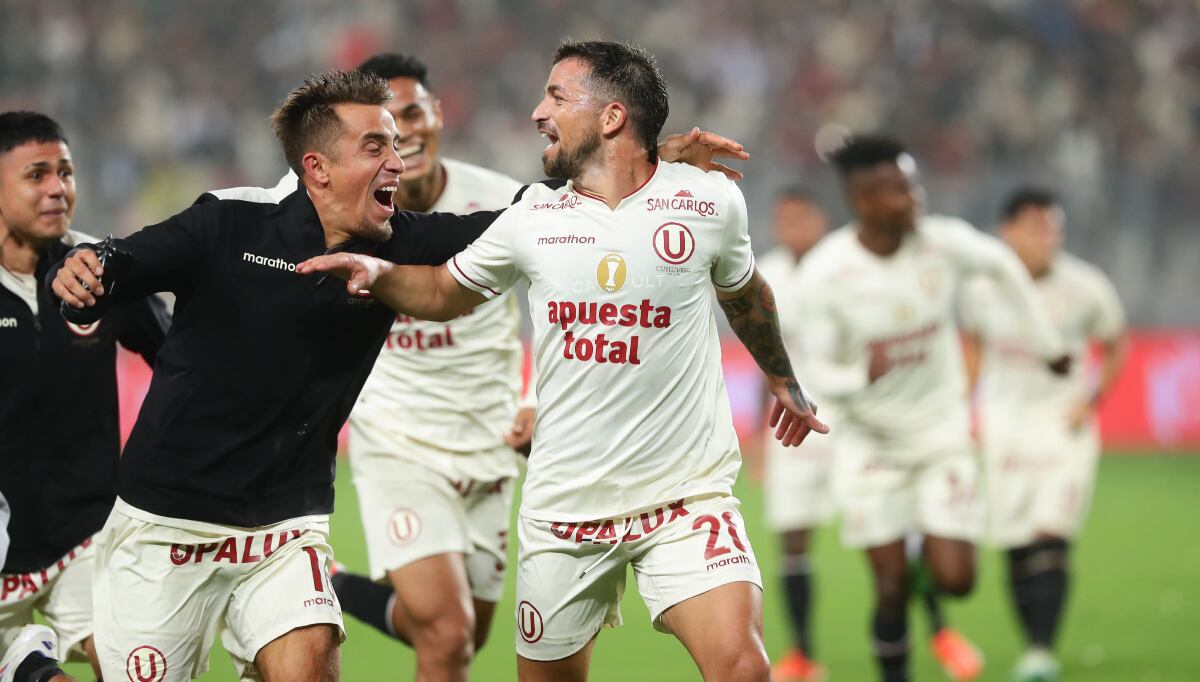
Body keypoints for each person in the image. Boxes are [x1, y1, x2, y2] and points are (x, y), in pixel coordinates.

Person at [49, 68, 750, 681]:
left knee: (325, 660)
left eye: (398, 138)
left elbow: (544, 219)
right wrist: (88, 270)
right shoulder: (228, 223)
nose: (398, 155)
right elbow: (123, 259)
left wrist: (645, 161)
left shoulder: (405, 241)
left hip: (286, 528)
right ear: (317, 168)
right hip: (165, 526)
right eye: (376, 145)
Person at [298, 40, 827, 682]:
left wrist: (782, 378)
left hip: (686, 496)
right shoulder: (532, 217)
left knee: (743, 669)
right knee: (475, 643)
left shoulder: (710, 202)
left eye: (555, 96)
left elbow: (744, 292)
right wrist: (376, 270)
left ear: (609, 118)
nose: (536, 112)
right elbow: (441, 291)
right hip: (565, 511)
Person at [794, 135, 1069, 682]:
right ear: (865, 202)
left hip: (941, 436)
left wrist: (1049, 344)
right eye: (900, 189)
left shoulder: (941, 242)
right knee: (889, 585)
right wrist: (856, 375)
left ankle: (918, 550)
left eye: (913, 182)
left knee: (958, 581)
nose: (915, 197)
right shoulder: (827, 275)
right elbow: (813, 370)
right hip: (871, 445)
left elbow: (1005, 267)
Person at [331, 52, 530, 682]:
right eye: (384, 123)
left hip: (491, 441)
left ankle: (335, 588)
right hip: (398, 441)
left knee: (464, 636)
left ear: (438, 113)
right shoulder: (327, 207)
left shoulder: (502, 201)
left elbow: (565, 308)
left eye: (413, 112)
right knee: (446, 635)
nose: (404, 131)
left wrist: (538, 398)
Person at [0, 111, 170, 682]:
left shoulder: (100, 269)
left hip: (84, 541)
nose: (58, 188)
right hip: (2, 556)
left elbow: (181, 363)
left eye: (66, 172)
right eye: (36, 174)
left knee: (138, 671)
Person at [961, 187, 1127, 682]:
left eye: (1053, 227)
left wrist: (1091, 401)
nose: (1047, 238)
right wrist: (967, 407)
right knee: (1015, 540)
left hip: (1062, 422)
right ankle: (1033, 644)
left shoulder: (1086, 285)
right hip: (1004, 422)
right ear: (1007, 232)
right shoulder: (982, 288)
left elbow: (1115, 342)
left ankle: (1040, 650)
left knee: (1051, 531)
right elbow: (972, 344)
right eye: (1035, 228)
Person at [754, 187, 833, 681]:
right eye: (784, 218)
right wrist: (757, 440)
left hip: (852, 419)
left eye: (801, 216)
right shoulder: (769, 273)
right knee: (793, 537)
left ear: (820, 218)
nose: (793, 226)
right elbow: (763, 356)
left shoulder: (846, 266)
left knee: (893, 531)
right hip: (792, 423)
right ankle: (803, 654)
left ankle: (936, 627)